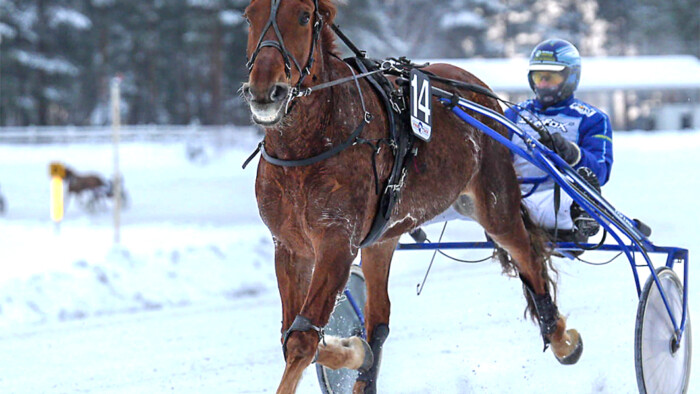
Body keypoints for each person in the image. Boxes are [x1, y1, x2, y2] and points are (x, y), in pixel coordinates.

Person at [504, 38, 613, 239]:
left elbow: (601, 173)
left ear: (571, 77)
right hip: (514, 200)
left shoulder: (592, 119)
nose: (543, 84)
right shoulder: (512, 115)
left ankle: (583, 214)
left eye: (551, 78)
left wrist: (573, 154)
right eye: (539, 77)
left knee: (577, 192)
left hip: (558, 200)